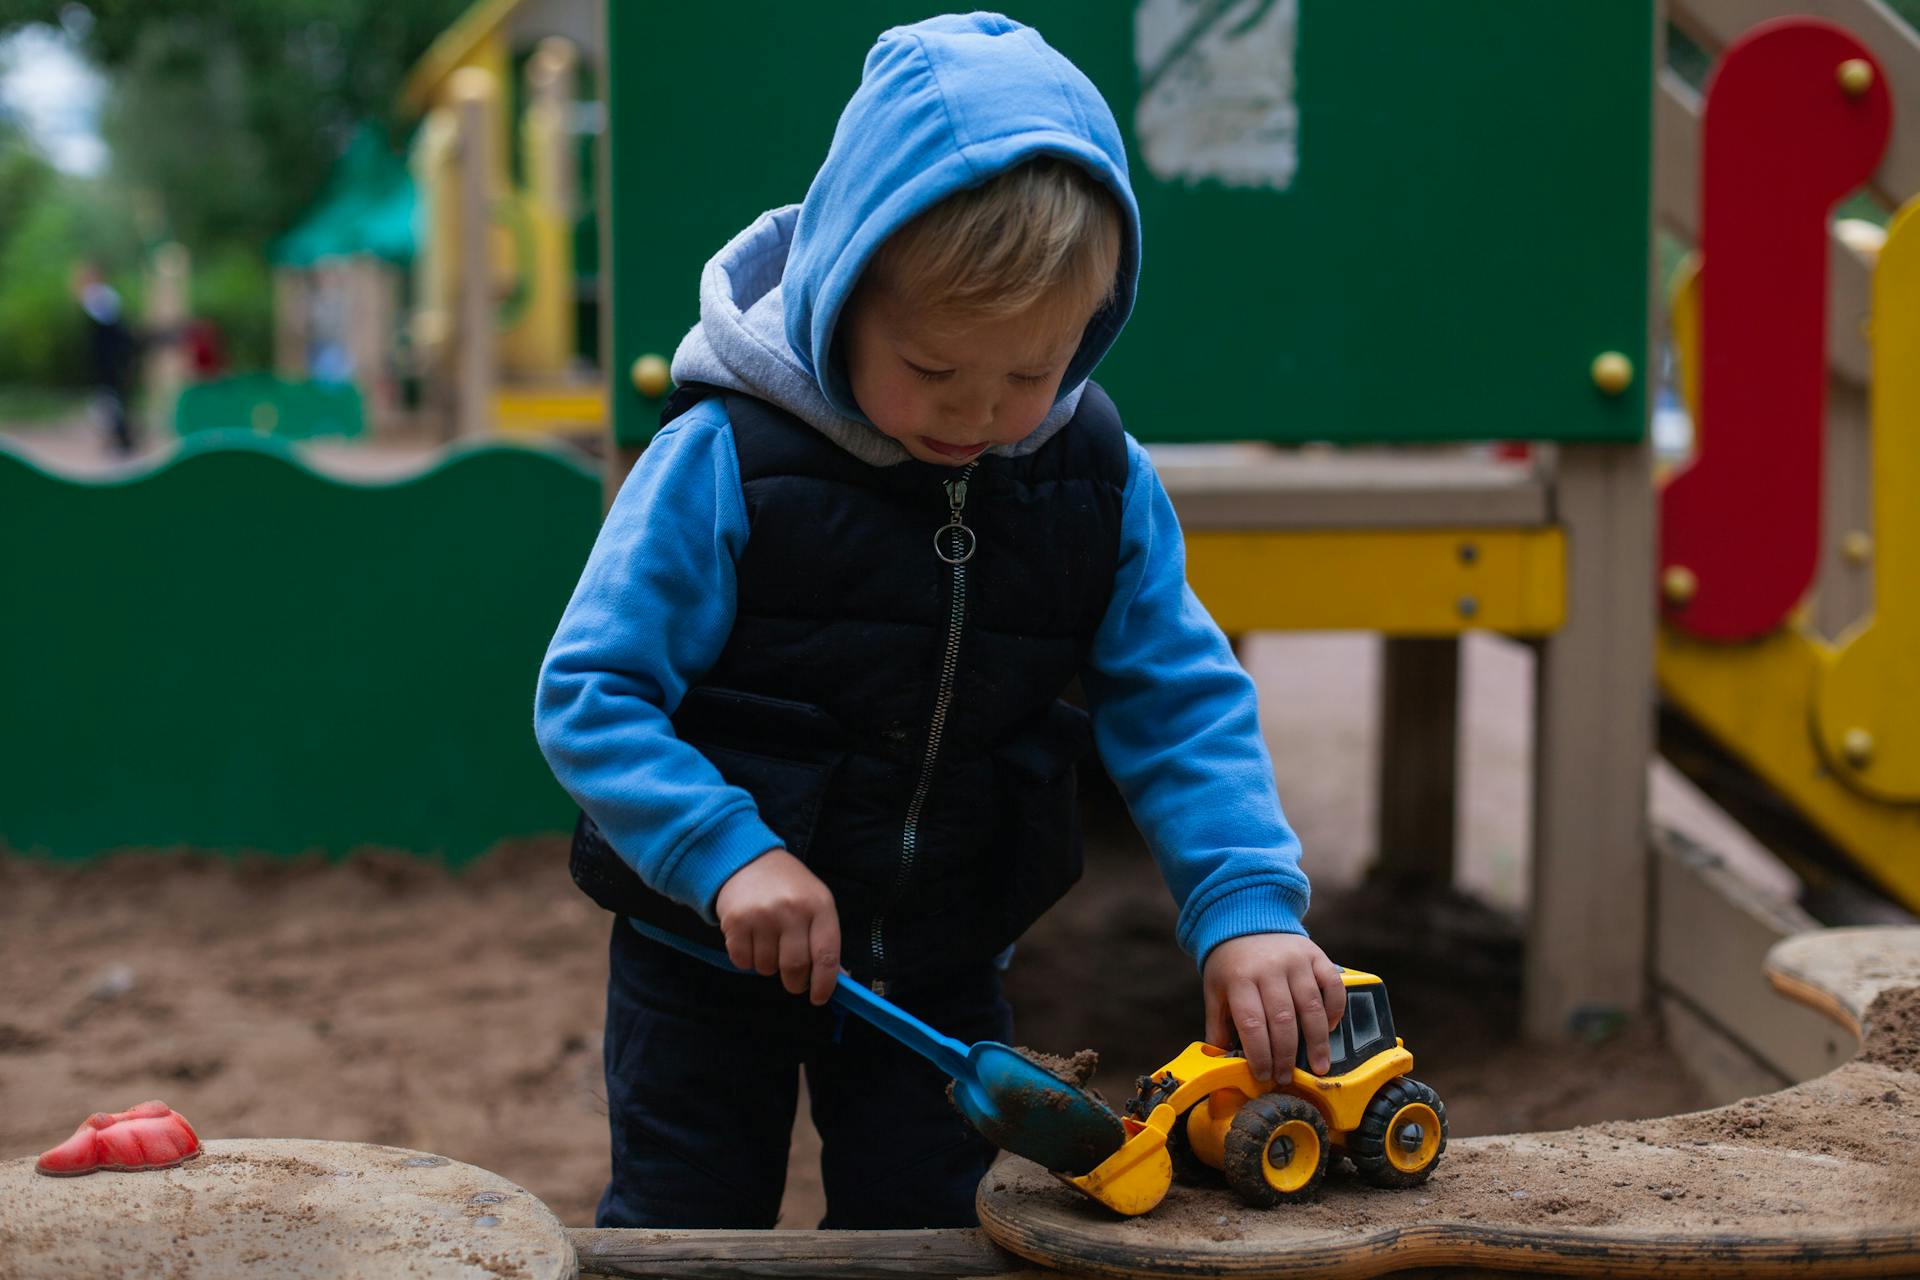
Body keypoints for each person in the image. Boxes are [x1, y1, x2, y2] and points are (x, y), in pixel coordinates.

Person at [534, 12, 1344, 1232]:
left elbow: (1177, 691)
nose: (979, 414)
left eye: (1030, 374)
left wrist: (1247, 900)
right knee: (684, 1219)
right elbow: (590, 692)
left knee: (929, 1223)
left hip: (940, 964)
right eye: (933, 368)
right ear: (840, 292)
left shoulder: (1093, 473)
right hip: (709, 951)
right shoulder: (724, 458)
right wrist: (726, 853)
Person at [71, 262, 138, 454]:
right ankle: (120, 438)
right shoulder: (104, 295)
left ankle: (123, 439)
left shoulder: (98, 296)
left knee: (112, 398)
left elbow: (107, 329)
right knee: (113, 398)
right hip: (114, 357)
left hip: (111, 358)